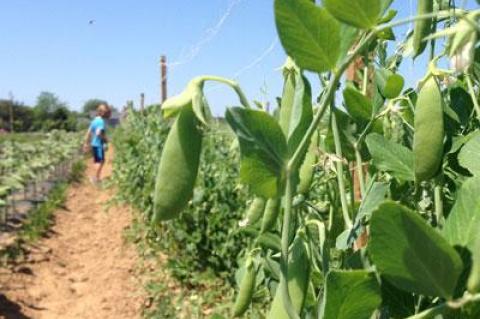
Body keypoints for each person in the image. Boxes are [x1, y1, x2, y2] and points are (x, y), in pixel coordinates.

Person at [83, 103, 111, 185]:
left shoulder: (94, 120)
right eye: (107, 113)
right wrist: (105, 139)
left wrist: (86, 143)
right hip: (98, 144)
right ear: (102, 113)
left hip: (94, 144)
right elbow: (99, 133)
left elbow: (88, 133)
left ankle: (96, 178)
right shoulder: (101, 121)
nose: (108, 115)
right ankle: (95, 179)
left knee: (97, 161)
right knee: (101, 161)